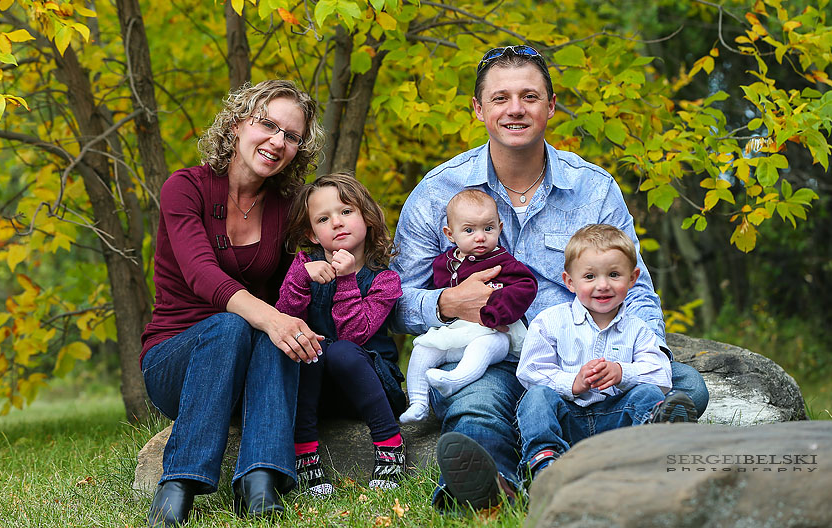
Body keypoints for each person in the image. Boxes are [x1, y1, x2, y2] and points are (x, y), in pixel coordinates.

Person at [391, 45, 709, 509]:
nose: (515, 109)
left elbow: (635, 288)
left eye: (529, 96)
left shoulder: (593, 187)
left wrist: (638, 352)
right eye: (500, 98)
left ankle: (619, 458)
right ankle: (491, 487)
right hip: (488, 356)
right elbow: (395, 300)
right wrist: (446, 304)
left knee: (686, 385)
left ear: (551, 106)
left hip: (581, 351)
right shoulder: (438, 191)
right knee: (475, 407)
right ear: (478, 109)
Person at [141, 80, 325, 527]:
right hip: (176, 361)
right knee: (235, 325)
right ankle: (178, 484)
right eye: (268, 124)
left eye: (292, 135)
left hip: (254, 370)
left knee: (272, 331)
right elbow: (202, 274)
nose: (277, 141)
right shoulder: (184, 188)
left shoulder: (287, 205)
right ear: (239, 123)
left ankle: (258, 480)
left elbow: (292, 291)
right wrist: (274, 319)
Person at [512, 224, 694, 487]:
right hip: (567, 419)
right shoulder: (550, 321)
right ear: (569, 281)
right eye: (589, 277)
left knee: (649, 394)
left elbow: (662, 373)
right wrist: (572, 382)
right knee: (536, 398)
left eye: (614, 274)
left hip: (617, 417)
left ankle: (652, 449)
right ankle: (545, 464)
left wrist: (623, 372)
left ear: (632, 279)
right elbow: (529, 371)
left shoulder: (637, 328)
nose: (603, 285)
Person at [276, 173, 407, 497]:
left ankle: (390, 445)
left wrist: (347, 280)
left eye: (346, 211)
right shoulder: (304, 268)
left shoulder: (385, 280)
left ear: (366, 216)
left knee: (340, 351)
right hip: (317, 393)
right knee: (308, 351)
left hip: (371, 386)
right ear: (312, 233)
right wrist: (299, 280)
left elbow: (355, 333)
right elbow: (285, 325)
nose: (337, 222)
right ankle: (305, 455)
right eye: (323, 218)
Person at [399, 189, 538, 423]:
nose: (480, 237)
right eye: (469, 230)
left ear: (499, 228)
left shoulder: (503, 262)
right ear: (450, 234)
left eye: (488, 229)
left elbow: (526, 287)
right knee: (423, 348)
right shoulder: (444, 264)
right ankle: (419, 402)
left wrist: (493, 313)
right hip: (456, 331)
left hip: (494, 332)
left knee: (481, 349)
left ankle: (456, 381)